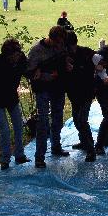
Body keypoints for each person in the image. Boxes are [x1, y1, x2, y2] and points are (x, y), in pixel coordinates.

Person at [0, 38, 31, 170]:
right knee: (5, 130)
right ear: (7, 55)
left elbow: (27, 71)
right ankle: (5, 160)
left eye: (18, 54)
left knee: (19, 126)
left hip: (12, 99)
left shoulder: (21, 60)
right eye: (14, 55)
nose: (17, 57)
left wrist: (35, 73)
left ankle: (19, 155)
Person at [63, 31, 108, 162]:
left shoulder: (86, 52)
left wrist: (100, 68)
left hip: (87, 92)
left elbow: (102, 62)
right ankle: (84, 142)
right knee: (77, 121)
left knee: (82, 121)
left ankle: (91, 150)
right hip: (73, 93)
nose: (68, 49)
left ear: (74, 44)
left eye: (70, 46)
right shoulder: (63, 55)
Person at [27, 26, 69, 168]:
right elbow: (31, 73)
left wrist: (67, 65)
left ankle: (56, 147)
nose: (59, 45)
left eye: (61, 43)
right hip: (43, 90)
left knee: (58, 119)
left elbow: (65, 58)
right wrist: (47, 76)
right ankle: (40, 156)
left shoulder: (62, 45)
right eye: (57, 42)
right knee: (43, 122)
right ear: (50, 38)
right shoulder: (36, 51)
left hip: (58, 89)